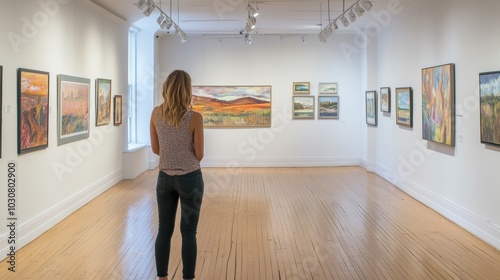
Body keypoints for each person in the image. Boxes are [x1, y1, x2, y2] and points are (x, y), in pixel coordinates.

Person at [150, 70, 204, 280]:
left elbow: (156, 149)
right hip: (190, 179)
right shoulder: (195, 117)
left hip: (164, 179)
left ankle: (162, 277)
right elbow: (199, 155)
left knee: (164, 229)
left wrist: (171, 153)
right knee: (189, 233)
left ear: (167, 88)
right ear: (187, 91)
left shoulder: (156, 113)